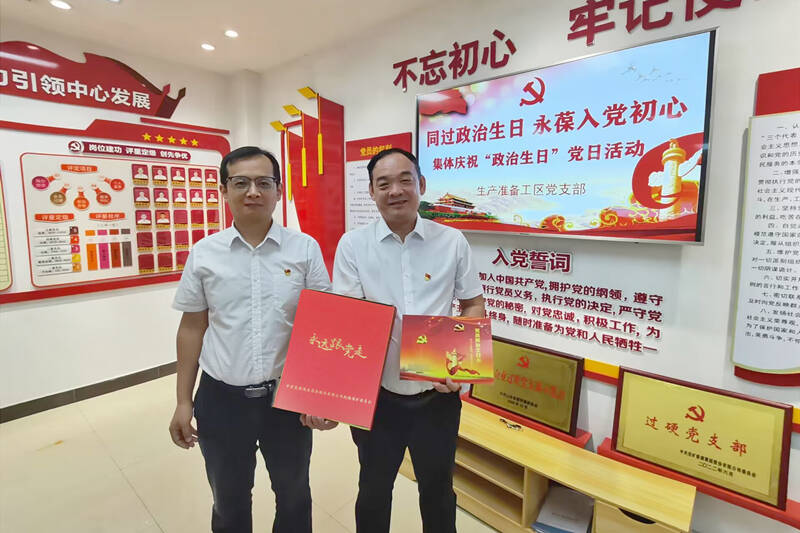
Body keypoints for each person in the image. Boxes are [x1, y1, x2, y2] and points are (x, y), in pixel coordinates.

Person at [312, 148, 484, 533]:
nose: (396, 191)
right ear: (371, 192)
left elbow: (473, 303)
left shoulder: (452, 241)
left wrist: (461, 367)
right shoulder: (353, 245)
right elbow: (345, 322)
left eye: (405, 180)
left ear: (421, 184)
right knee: (374, 491)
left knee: (438, 492)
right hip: (378, 400)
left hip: (437, 398)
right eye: (384, 183)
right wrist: (327, 396)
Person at [169, 146, 331, 533]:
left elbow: (323, 326)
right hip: (221, 400)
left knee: (294, 495)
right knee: (229, 500)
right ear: (224, 190)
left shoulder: (304, 249)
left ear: (278, 190)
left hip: (287, 399)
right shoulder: (205, 253)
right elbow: (192, 328)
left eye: (263, 182)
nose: (253, 192)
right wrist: (182, 401)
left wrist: (322, 396)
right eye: (241, 182)